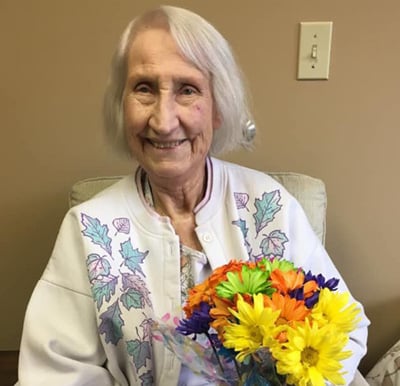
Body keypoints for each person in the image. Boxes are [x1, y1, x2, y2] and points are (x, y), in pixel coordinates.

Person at [16, 5, 369, 386]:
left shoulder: (271, 206)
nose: (163, 121)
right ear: (122, 104)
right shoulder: (88, 229)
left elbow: (343, 331)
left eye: (187, 90)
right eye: (144, 89)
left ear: (218, 107)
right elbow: (52, 373)